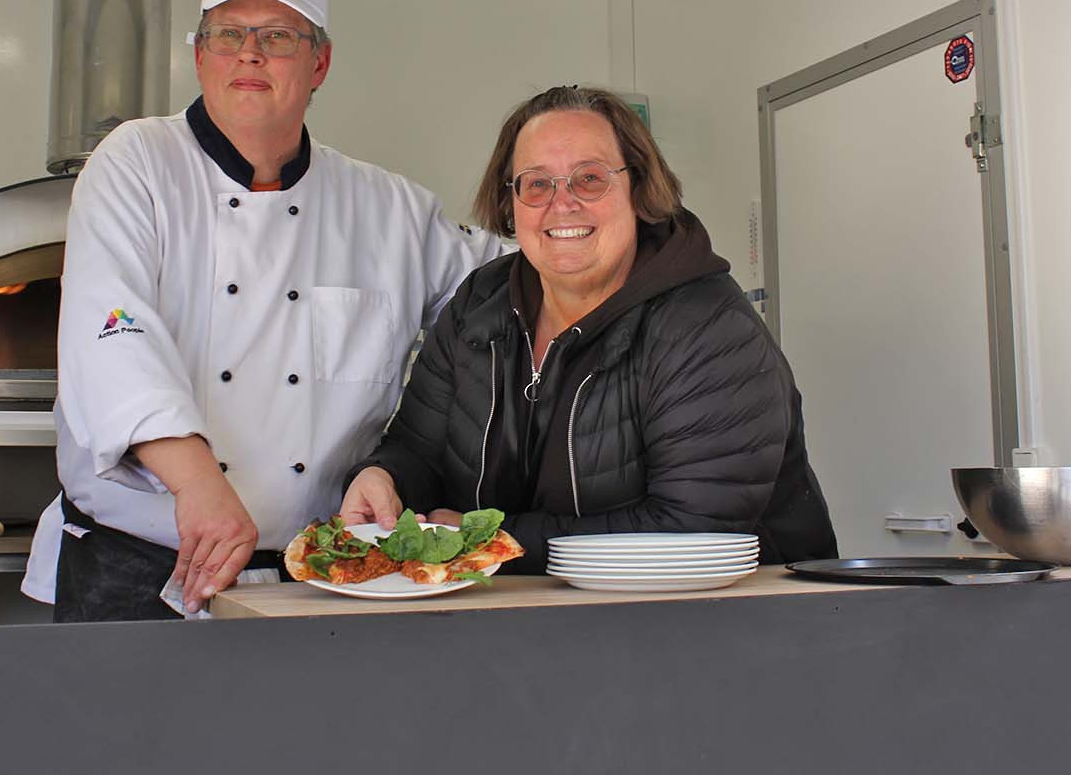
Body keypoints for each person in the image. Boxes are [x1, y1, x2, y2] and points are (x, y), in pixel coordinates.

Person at [22, 0, 507, 619]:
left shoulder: (390, 208)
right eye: (228, 34)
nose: (249, 53)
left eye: (278, 36)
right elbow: (112, 336)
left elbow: (511, 289)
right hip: (135, 562)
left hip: (321, 572)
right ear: (200, 56)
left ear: (320, 64)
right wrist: (197, 485)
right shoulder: (137, 162)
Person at [340, 86, 837, 570]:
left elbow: (693, 530)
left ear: (639, 190)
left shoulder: (706, 326)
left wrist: (494, 542)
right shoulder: (477, 305)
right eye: (537, 183)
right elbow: (418, 450)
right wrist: (384, 477)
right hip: (531, 613)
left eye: (590, 178)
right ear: (510, 202)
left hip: (737, 615)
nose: (563, 203)